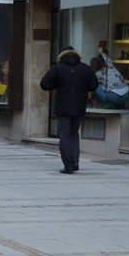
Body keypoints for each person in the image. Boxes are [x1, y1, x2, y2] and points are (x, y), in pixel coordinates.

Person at [39, 46, 97, 174]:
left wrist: (57, 86)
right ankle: (75, 161)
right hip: (79, 106)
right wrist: (82, 88)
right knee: (74, 133)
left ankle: (68, 165)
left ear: (62, 56)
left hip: (62, 106)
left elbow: (44, 84)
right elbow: (94, 85)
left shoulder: (57, 68)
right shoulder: (85, 68)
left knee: (64, 135)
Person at [92, 41, 129, 106]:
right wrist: (101, 51)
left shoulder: (97, 74)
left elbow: (92, 84)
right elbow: (106, 58)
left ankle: (97, 105)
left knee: (95, 85)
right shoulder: (110, 65)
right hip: (126, 95)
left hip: (114, 97)